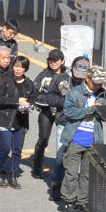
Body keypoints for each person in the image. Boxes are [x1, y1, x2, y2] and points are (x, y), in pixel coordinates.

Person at [58, 59, 106, 212]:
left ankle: (82, 202)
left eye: (101, 83)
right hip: (75, 139)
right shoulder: (74, 93)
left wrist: (102, 108)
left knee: (87, 174)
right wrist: (90, 110)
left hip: (93, 141)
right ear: (88, 78)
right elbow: (69, 112)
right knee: (71, 173)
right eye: (96, 82)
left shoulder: (102, 95)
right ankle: (69, 202)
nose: (98, 86)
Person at [0, 54, 36, 188]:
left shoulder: (29, 83)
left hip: (20, 121)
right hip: (4, 119)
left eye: (21, 67)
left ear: (25, 69)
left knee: (17, 150)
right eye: (16, 66)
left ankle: (13, 175)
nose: (18, 69)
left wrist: (29, 104)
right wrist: (16, 101)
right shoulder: (5, 80)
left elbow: (33, 97)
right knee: (4, 148)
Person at [31, 49, 72, 180]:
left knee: (63, 143)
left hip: (62, 112)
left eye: (56, 61)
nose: (53, 63)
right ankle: (37, 167)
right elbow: (34, 91)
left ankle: (62, 170)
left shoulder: (68, 76)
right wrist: (42, 101)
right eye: (51, 61)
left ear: (62, 61)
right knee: (43, 139)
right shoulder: (43, 74)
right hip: (46, 111)